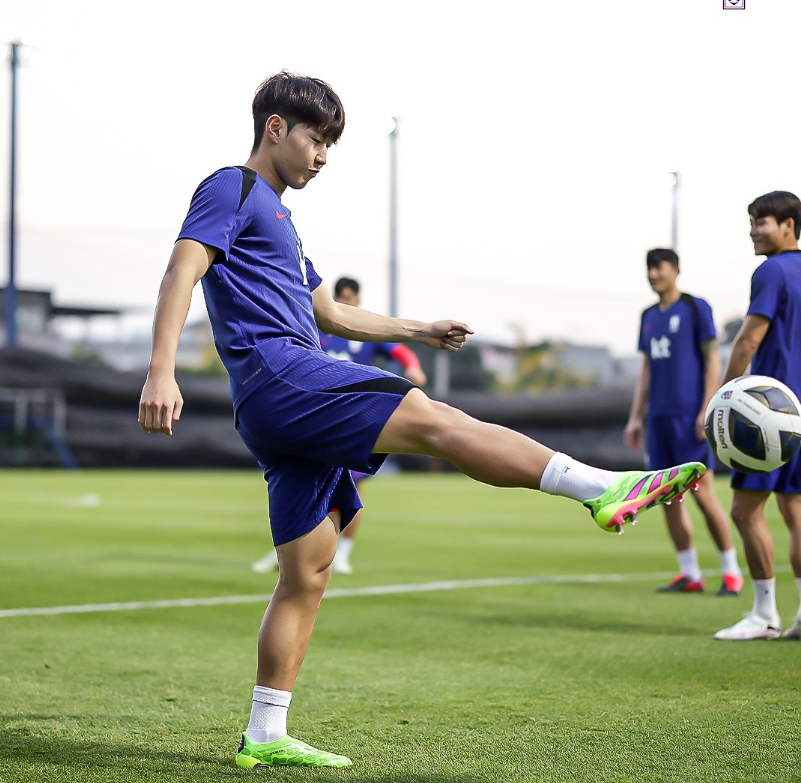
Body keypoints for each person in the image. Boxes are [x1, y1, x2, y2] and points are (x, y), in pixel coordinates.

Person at [138, 70, 705, 769]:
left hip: (272, 403)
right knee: (432, 418)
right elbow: (180, 271)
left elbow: (334, 313)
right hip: (284, 376)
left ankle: (264, 730)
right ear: (276, 128)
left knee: (307, 572)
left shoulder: (281, 219)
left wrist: (421, 328)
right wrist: (161, 369)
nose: (322, 156)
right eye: (316, 139)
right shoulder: (233, 187)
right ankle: (598, 487)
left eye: (331, 146)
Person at [251, 275, 428, 575]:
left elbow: (400, 351)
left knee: (351, 488)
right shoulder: (318, 329)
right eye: (340, 297)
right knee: (299, 483)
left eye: (350, 298)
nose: (345, 302)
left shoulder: (364, 333)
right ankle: (288, 553)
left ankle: (343, 552)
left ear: (358, 300)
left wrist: (413, 365)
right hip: (317, 415)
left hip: (353, 417)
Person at [624, 248, 743, 595]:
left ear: (675, 270)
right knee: (665, 496)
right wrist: (635, 417)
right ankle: (690, 573)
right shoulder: (647, 315)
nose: (653, 274)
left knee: (702, 493)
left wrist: (708, 406)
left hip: (688, 416)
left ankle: (731, 571)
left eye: (659, 267)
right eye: (649, 268)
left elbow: (711, 359)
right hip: (658, 419)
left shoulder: (695, 307)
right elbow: (646, 369)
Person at [713, 191, 801, 641]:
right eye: (751, 221)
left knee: (746, 511)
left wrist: (722, 397)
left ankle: (765, 614)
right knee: (797, 510)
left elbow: (747, 341)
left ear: (789, 225)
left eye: (762, 221)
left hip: (769, 413)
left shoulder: (771, 271)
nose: (753, 229)